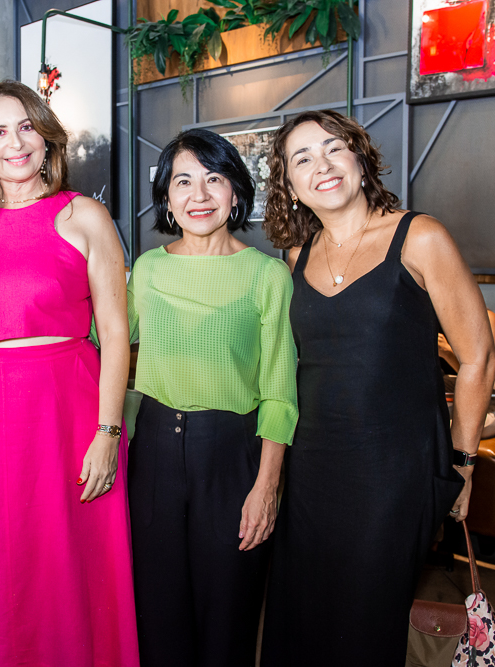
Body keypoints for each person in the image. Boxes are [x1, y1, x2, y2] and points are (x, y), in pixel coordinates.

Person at [258, 110, 495, 665]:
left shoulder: (420, 237)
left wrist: (463, 464)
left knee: (366, 621)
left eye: (333, 148)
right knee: (302, 614)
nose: (322, 165)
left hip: (395, 471)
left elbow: (478, 356)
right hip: (312, 469)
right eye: (302, 159)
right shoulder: (295, 257)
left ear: (360, 160)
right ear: (290, 186)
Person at [0, 80, 139, 666]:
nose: (15, 143)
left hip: (66, 407)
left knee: (69, 559)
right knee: (4, 562)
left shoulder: (83, 215)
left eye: (26, 127)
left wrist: (108, 432)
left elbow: (115, 334)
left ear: (46, 136)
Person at [126, 129, 298, 666]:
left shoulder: (268, 275)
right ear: (166, 197)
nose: (198, 195)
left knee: (229, 617)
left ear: (236, 192)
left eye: (213, 179)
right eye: (183, 181)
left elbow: (280, 392)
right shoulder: (149, 269)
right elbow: (99, 342)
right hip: (153, 451)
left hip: (232, 456)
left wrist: (266, 486)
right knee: (157, 615)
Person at [441, 309, 495, 438]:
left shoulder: (486, 318)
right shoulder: (428, 319)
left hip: (479, 411)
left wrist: (447, 353)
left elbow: (486, 378)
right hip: (439, 408)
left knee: (427, 430)